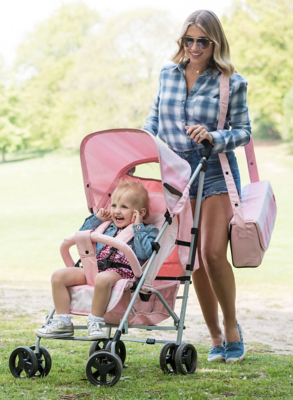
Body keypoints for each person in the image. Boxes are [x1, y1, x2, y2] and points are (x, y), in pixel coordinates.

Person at [142, 10, 251, 363]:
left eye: (201, 41)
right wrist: (142, 144)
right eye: (188, 40)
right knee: (194, 263)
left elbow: (244, 131)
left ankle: (232, 328)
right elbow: (154, 119)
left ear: (215, 43)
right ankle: (215, 336)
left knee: (212, 253)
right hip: (176, 176)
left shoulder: (231, 82)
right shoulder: (167, 75)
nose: (194, 47)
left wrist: (214, 136)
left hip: (214, 172)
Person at [36, 180, 159, 340]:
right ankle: (63, 322)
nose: (116, 211)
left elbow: (144, 253)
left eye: (124, 207)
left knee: (102, 278)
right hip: (95, 269)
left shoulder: (147, 230)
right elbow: (81, 236)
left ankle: (94, 322)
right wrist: (96, 219)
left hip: (122, 272)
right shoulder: (106, 226)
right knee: (58, 276)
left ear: (140, 212)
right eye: (114, 205)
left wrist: (138, 226)